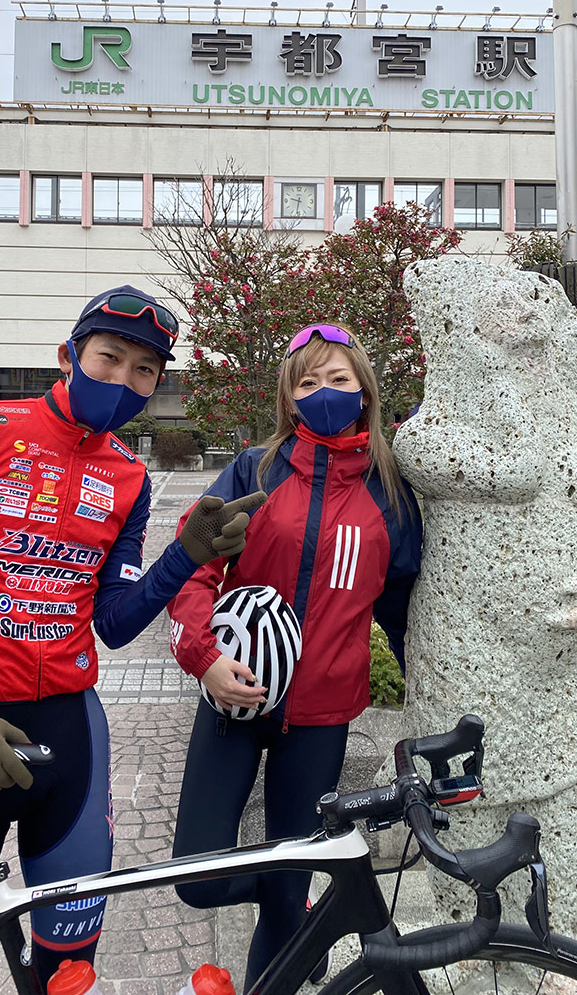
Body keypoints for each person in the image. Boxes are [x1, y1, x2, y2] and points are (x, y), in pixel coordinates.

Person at [0, 284, 265, 986]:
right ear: (68, 355)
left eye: (144, 370)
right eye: (109, 358)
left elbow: (113, 623)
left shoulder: (129, 476)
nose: (123, 379)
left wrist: (188, 558)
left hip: (73, 744)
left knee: (65, 976)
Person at [168, 323, 422, 988]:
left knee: (282, 904)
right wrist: (205, 657)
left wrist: (425, 700)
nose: (323, 393)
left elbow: (400, 607)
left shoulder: (389, 491)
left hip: (320, 719)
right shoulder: (254, 469)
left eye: (338, 379)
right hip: (233, 698)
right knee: (195, 877)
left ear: (364, 390)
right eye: (307, 382)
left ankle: (289, 907)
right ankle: (297, 891)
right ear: (288, 398)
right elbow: (193, 571)